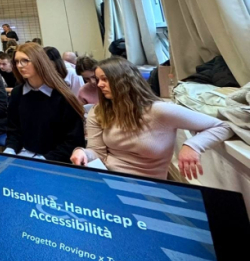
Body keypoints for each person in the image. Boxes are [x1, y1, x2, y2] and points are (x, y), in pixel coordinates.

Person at [71, 57, 231, 179]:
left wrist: (193, 145)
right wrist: (83, 152)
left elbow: (223, 126)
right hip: (109, 178)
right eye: (98, 79)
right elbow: (97, 153)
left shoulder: (159, 110)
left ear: (123, 81)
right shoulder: (99, 111)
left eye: (105, 79)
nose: (99, 84)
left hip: (147, 185)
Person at [4, 42, 85, 161]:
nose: (20, 66)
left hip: (53, 160)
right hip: (24, 155)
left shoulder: (63, 97)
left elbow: (73, 141)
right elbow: (13, 130)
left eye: (25, 61)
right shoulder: (17, 93)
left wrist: (44, 159)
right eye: (17, 61)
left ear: (39, 62)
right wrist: (10, 149)